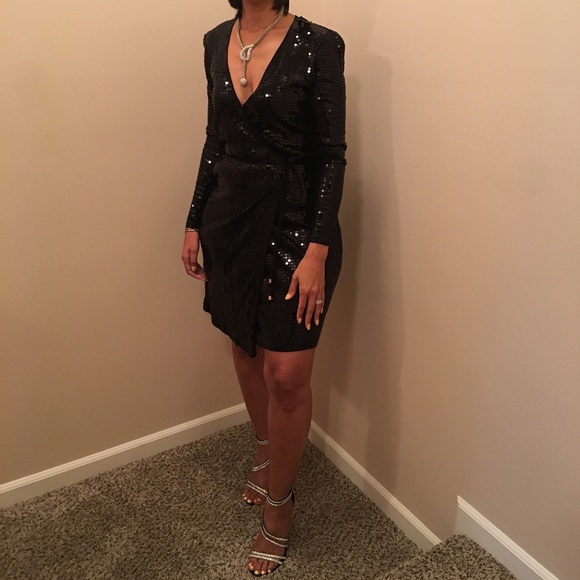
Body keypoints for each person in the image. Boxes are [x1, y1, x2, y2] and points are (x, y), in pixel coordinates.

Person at [181, 0, 346, 575]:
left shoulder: (320, 42)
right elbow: (215, 138)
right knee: (245, 345)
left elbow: (331, 156)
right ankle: (264, 449)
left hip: (298, 223)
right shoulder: (213, 40)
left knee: (288, 374)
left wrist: (318, 249)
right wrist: (194, 219)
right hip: (230, 218)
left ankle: (281, 505)